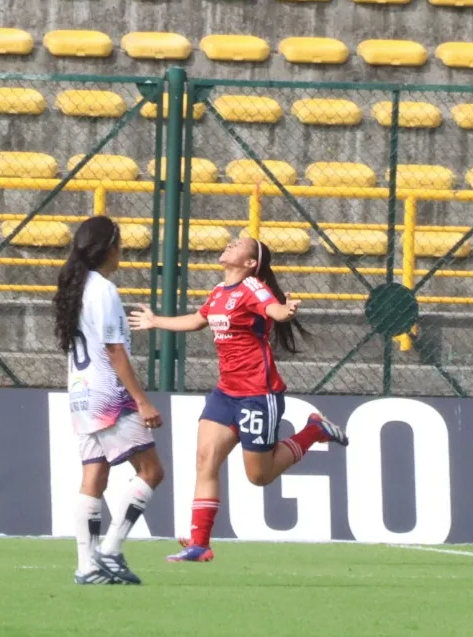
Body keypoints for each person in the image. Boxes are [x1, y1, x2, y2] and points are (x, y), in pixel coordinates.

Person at [130, 236, 349, 562]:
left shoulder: (253, 287)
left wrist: (285, 312)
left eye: (239, 244)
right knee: (205, 461)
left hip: (258, 394)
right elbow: (196, 320)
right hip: (225, 394)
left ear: (250, 263)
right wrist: (155, 321)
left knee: (259, 476)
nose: (231, 244)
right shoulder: (220, 291)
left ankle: (313, 430)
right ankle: (200, 544)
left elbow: (272, 308)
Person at [54, 215, 166, 585]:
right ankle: (111, 551)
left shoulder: (74, 286)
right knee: (151, 471)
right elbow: (114, 349)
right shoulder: (102, 289)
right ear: (109, 248)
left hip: (81, 393)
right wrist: (142, 401)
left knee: (94, 475)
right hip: (108, 394)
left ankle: (87, 565)